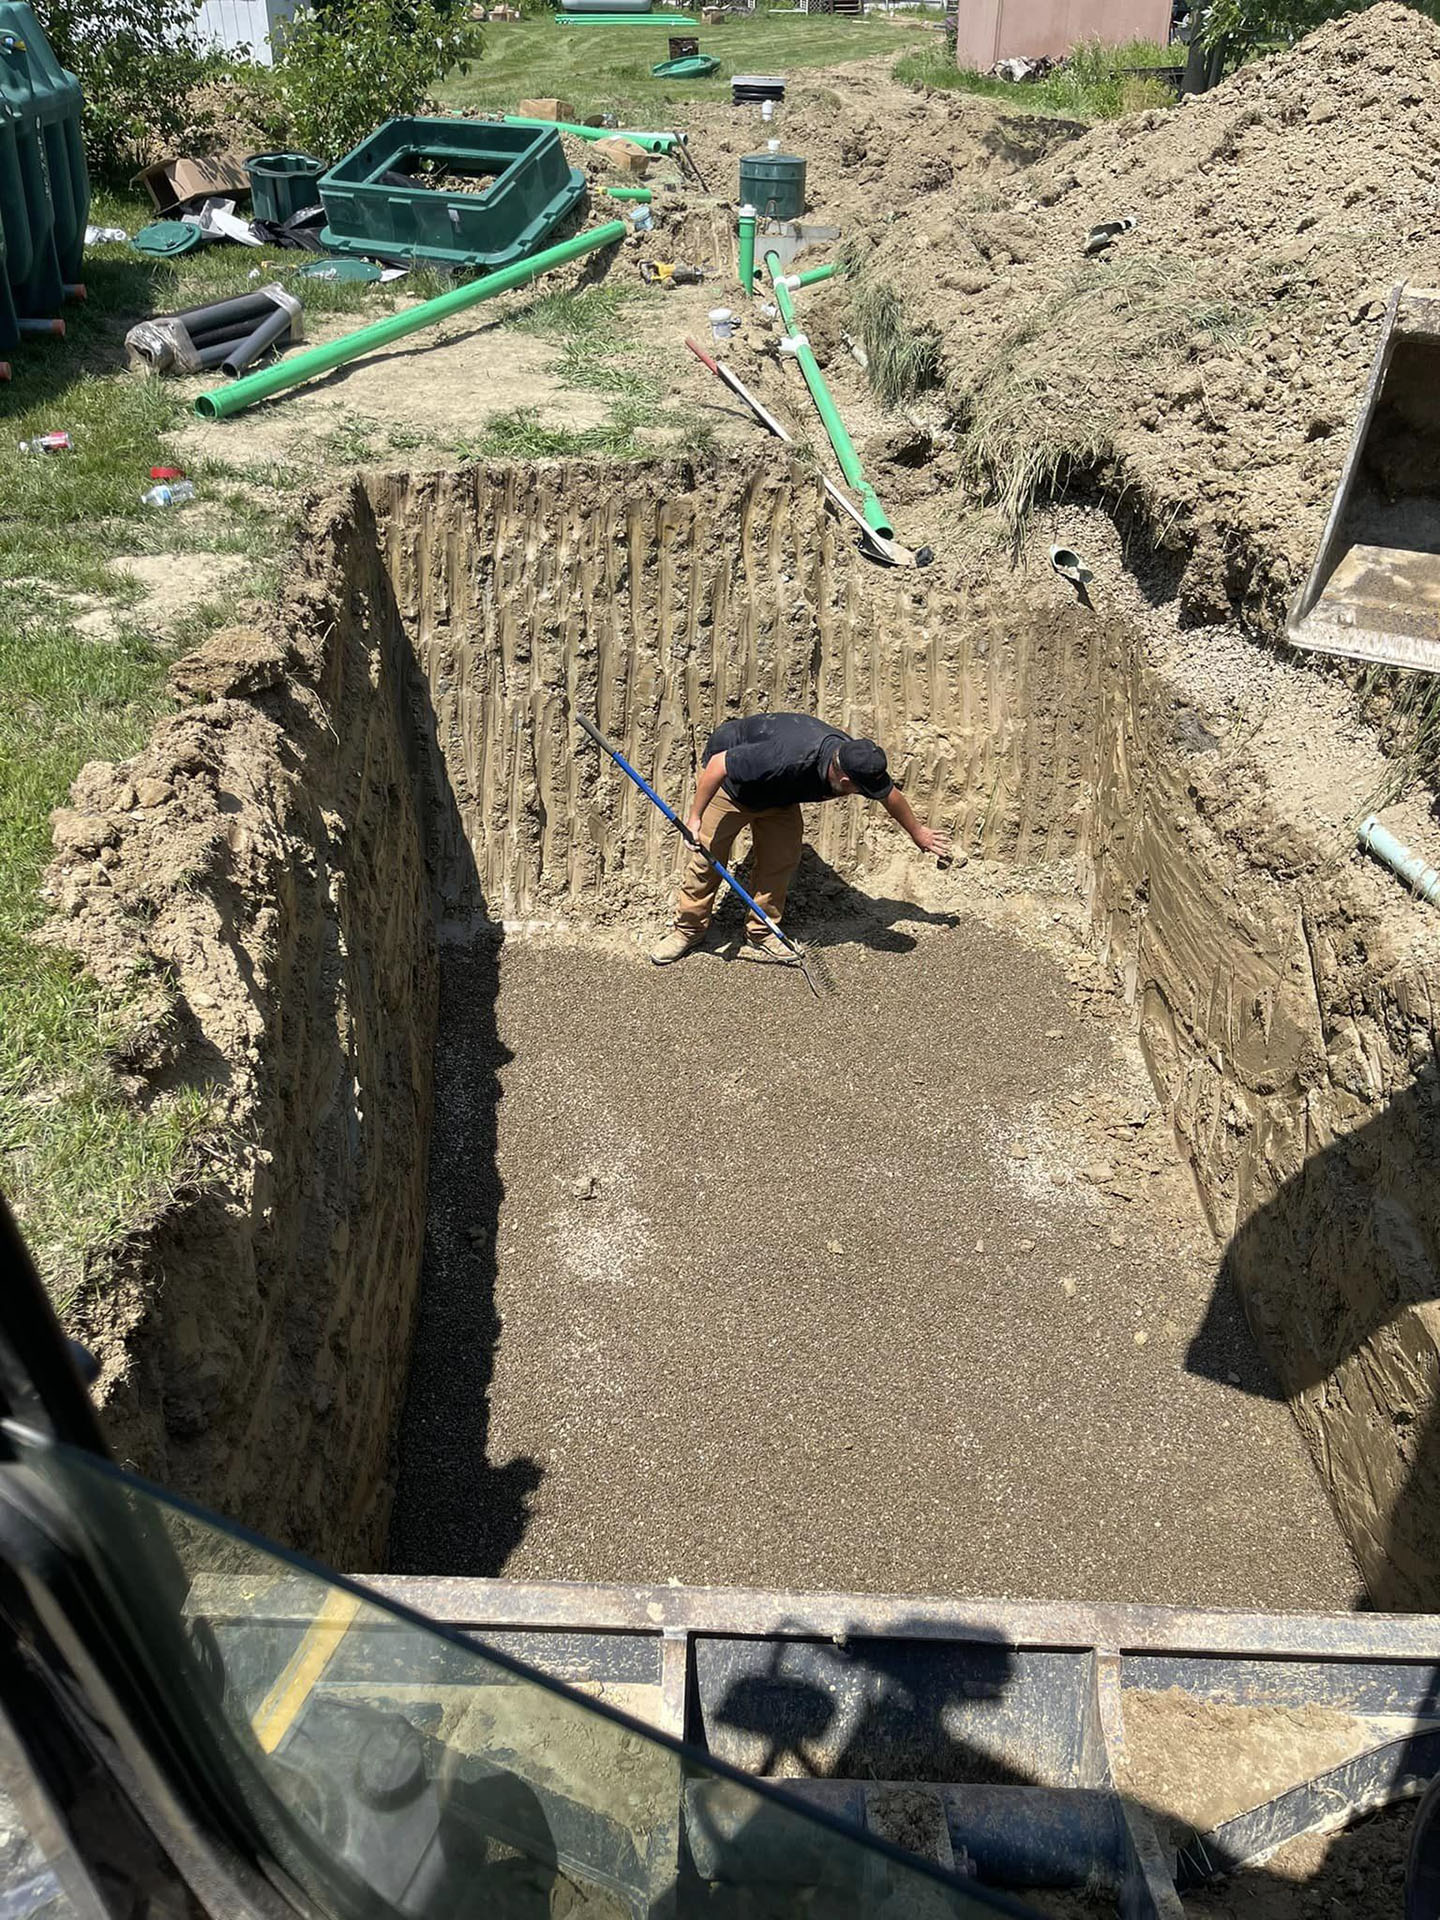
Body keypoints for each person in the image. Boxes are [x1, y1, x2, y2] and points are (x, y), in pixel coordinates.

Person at [650, 712, 951, 967]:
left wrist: (918, 833)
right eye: (858, 792)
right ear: (844, 781)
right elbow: (719, 765)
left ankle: (762, 931)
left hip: (780, 795)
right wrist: (694, 817)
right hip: (733, 786)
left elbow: (890, 796)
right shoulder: (785, 758)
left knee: (780, 861)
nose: (861, 795)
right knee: (707, 860)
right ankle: (688, 930)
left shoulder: (858, 759)